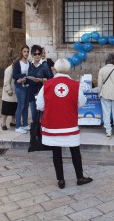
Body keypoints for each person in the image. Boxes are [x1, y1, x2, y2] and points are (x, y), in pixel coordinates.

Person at [36, 58, 92, 189]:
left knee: (56, 151)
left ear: (55, 69)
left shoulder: (47, 84)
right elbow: (82, 102)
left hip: (53, 124)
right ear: (68, 69)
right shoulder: (75, 85)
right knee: (75, 150)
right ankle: (80, 177)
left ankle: (60, 180)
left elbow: (39, 105)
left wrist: (51, 106)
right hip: (69, 123)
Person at [98, 53, 114, 137]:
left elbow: (99, 84)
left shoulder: (101, 70)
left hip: (105, 93)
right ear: (113, 60)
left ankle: (108, 131)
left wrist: (99, 93)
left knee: (106, 113)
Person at [28, 45, 53, 124]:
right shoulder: (30, 65)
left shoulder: (44, 65)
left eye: (39, 54)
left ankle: (43, 132)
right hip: (32, 92)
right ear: (32, 55)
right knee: (34, 114)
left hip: (42, 92)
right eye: (35, 54)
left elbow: (51, 79)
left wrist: (41, 80)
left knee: (43, 114)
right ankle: (36, 132)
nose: (37, 55)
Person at [12, 45, 30, 134]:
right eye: (24, 51)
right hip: (20, 87)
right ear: (21, 52)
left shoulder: (29, 63)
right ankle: (18, 126)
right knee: (21, 106)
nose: (26, 53)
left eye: (27, 51)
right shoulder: (17, 63)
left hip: (27, 87)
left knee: (26, 106)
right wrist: (23, 76)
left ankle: (25, 124)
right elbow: (14, 75)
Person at [1, 55, 18, 130]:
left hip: (15, 93)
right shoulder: (9, 70)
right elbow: (6, 82)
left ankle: (13, 122)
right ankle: (3, 123)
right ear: (13, 60)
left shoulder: (16, 68)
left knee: (14, 108)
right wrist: (9, 90)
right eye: (16, 60)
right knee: (6, 110)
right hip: (9, 94)